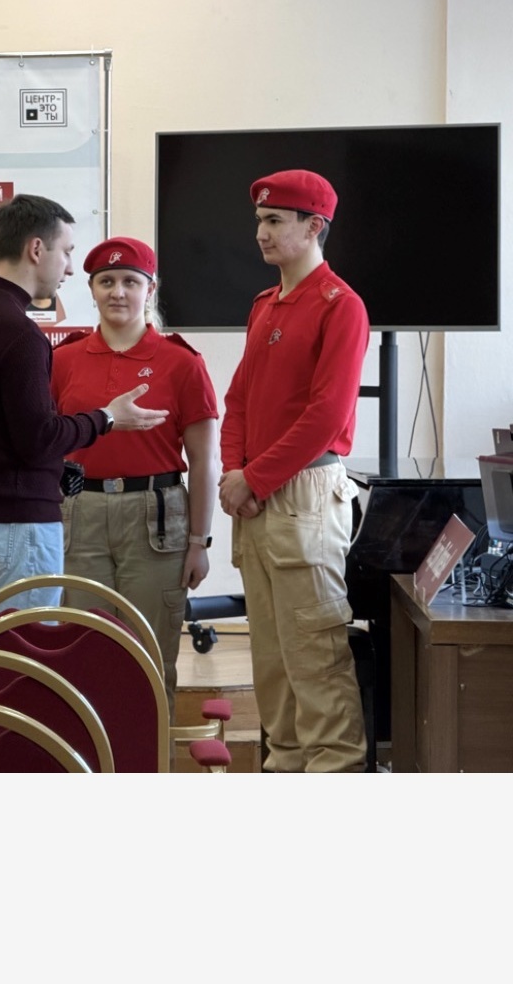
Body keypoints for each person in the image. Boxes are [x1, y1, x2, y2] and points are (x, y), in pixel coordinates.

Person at [0, 193, 168, 622]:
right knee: (22, 655)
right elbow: (38, 440)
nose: (69, 268)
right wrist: (107, 418)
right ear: (36, 249)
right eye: (66, 252)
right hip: (13, 524)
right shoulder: (19, 332)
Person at [219, 170, 370, 773]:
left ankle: (332, 775)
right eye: (260, 220)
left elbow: (325, 417)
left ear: (314, 227)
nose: (261, 231)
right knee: (272, 661)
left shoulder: (341, 305)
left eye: (275, 220)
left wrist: (252, 479)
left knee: (315, 659)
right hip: (255, 494)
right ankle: (283, 770)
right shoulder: (265, 304)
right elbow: (238, 401)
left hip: (304, 491)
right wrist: (234, 472)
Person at [50, 236, 219, 713]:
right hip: (79, 515)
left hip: (156, 521)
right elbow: (47, 442)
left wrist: (199, 542)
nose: (118, 292)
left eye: (130, 281)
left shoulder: (182, 363)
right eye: (106, 281)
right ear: (92, 289)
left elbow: (205, 461)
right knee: (80, 657)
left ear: (151, 289)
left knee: (149, 658)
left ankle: (152, 755)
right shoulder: (62, 360)